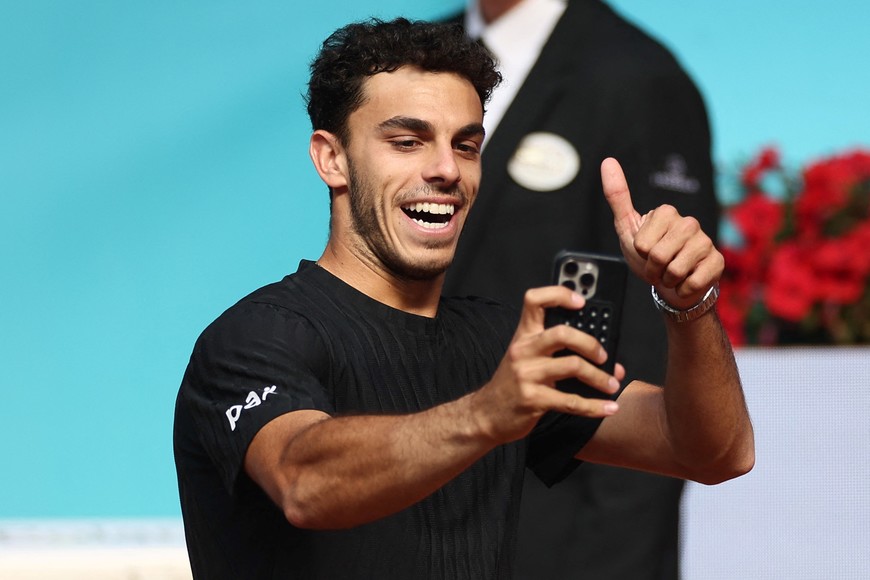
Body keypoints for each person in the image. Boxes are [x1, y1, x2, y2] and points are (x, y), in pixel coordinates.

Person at [173, 17, 753, 580]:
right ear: (332, 158)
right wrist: (488, 413)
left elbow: (711, 452)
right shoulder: (254, 338)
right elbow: (304, 483)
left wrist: (688, 304)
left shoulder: (498, 343)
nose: (447, 169)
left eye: (467, 145)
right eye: (407, 142)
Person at [441, 1, 721, 578]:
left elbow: (656, 345)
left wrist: (616, 560)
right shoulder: (409, 59)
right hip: (408, 511)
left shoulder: (639, 78)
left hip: (551, 530)